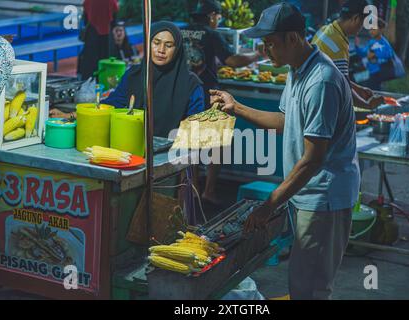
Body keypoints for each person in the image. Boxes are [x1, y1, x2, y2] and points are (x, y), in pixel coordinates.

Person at [210, 3, 360, 300]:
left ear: (293, 38)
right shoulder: (297, 69)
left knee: (310, 288)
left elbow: (313, 160)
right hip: (307, 193)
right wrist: (236, 107)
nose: (265, 51)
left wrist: (270, 203)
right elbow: (285, 121)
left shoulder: (321, 81)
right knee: (302, 281)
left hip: (323, 198)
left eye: (269, 44)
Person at [51, 22, 205, 138]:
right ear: (148, 43)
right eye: (156, 43)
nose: (161, 50)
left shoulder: (191, 84)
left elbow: (195, 127)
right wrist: (68, 116)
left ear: (177, 49)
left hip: (173, 160)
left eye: (168, 45)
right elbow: (108, 106)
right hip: (132, 150)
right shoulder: (135, 75)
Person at [181, 0, 262, 205]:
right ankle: (208, 191)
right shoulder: (211, 33)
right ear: (211, 16)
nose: (218, 21)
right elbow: (232, 60)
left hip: (185, 92)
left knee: (191, 144)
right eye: (218, 17)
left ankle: (194, 191)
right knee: (217, 143)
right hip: (208, 92)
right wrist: (257, 55)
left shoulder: (182, 31)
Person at [312, 0, 385, 110]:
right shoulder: (337, 44)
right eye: (361, 24)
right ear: (355, 18)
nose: (361, 29)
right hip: (321, 102)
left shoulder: (327, 30)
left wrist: (358, 89)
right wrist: (368, 105)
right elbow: (342, 87)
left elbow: (339, 77)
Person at [78, 0, 119, 80]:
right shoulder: (111, 1)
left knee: (90, 64)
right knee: (106, 62)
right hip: (107, 35)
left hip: (92, 35)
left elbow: (86, 19)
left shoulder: (88, 1)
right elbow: (114, 18)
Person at [355, 17, 395, 90]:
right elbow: (363, 53)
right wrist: (357, 46)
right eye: (370, 29)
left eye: (373, 29)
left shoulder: (384, 43)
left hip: (377, 73)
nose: (371, 31)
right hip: (369, 72)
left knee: (372, 90)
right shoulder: (371, 42)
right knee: (355, 80)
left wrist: (375, 55)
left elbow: (389, 54)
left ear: (381, 30)